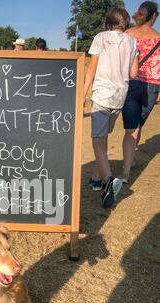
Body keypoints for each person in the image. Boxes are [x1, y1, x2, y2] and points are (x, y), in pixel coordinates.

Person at [84, 7, 139, 209]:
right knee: (104, 137)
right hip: (119, 97)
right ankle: (96, 179)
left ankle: (108, 180)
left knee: (98, 141)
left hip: (102, 94)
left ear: (108, 23)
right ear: (125, 23)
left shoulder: (100, 37)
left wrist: (83, 93)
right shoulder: (132, 41)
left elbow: (92, 68)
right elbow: (134, 72)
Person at [121, 1, 160, 184]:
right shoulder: (158, 38)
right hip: (151, 87)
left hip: (129, 83)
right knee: (137, 126)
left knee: (132, 128)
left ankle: (126, 171)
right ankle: (129, 164)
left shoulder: (128, 34)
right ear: (154, 16)